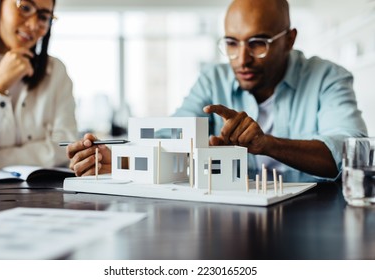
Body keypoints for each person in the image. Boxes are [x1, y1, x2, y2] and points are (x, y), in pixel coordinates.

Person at [67, 0, 367, 180]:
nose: (242, 58)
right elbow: (169, 135)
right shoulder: (213, 80)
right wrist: (117, 159)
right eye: (231, 43)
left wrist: (267, 144)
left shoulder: (328, 77)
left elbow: (353, 150)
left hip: (316, 222)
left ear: (289, 40)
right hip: (233, 222)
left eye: (258, 43)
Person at [0, 0, 78, 169]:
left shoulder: (55, 72)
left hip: (44, 193)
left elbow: (65, 147)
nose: (34, 25)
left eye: (43, 17)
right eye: (25, 8)